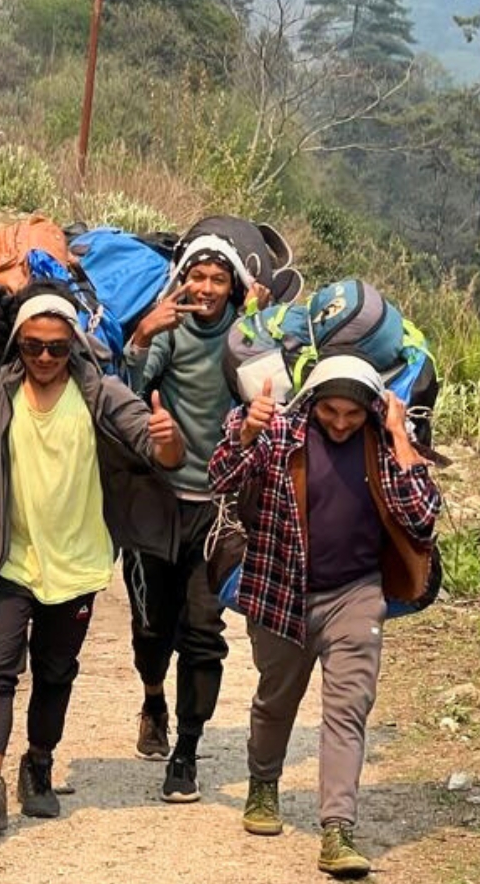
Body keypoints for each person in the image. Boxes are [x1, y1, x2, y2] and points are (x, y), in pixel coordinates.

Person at [0, 283, 186, 833]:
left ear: (75, 348)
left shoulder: (100, 393)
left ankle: (38, 765)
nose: (44, 358)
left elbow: (158, 451)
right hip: (5, 560)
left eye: (57, 348)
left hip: (77, 563)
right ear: (17, 343)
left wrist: (167, 440)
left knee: (55, 671)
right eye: (32, 346)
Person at [207, 353, 442, 879]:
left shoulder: (384, 442)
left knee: (347, 710)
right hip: (279, 592)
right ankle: (263, 783)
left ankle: (337, 829)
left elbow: (423, 518)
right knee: (275, 700)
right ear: (313, 402)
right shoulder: (277, 431)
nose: (340, 422)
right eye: (330, 412)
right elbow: (219, 478)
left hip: (355, 596)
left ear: (370, 410)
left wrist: (402, 440)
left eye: (352, 414)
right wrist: (245, 432)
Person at [121, 234, 265, 802]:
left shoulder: (246, 339)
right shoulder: (168, 330)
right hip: (157, 503)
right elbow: (126, 395)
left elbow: (272, 393)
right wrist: (139, 339)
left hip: (220, 510)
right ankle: (153, 695)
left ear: (233, 287)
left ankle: (185, 751)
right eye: (197, 276)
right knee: (152, 625)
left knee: (204, 634)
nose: (205, 289)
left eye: (217, 279)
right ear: (182, 279)